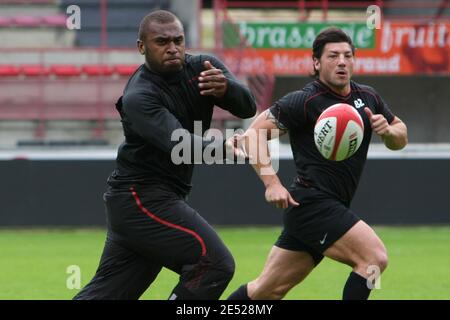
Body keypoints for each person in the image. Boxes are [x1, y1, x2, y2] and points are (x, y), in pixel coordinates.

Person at [74, 10, 256, 300]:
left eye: (178, 40)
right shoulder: (139, 96)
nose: (173, 48)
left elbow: (248, 107)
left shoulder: (204, 68)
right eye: (162, 41)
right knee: (214, 264)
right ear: (141, 47)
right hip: (141, 199)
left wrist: (227, 89)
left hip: (149, 201)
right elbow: (180, 145)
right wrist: (223, 148)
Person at [226, 27, 408, 300]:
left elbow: (400, 137)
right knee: (373, 259)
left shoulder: (368, 97)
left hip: (320, 208)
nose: (342, 62)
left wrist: (389, 132)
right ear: (316, 62)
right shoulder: (304, 100)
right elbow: (254, 134)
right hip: (313, 204)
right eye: (333, 56)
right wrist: (271, 182)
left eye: (348, 55)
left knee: (266, 291)